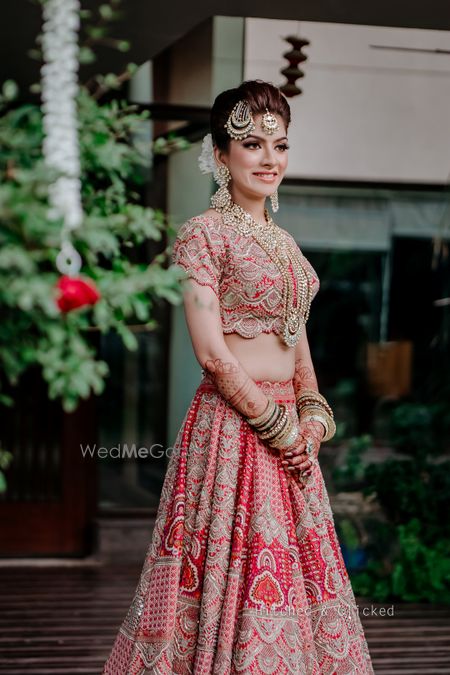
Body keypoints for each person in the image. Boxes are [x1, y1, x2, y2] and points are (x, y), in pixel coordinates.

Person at [103, 79, 374, 674]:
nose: (269, 158)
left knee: (292, 584)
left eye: (280, 146)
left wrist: (312, 421)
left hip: (291, 444)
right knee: (229, 579)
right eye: (252, 143)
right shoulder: (203, 235)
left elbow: (299, 349)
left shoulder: (287, 246)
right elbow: (213, 355)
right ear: (221, 154)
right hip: (233, 431)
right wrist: (278, 428)